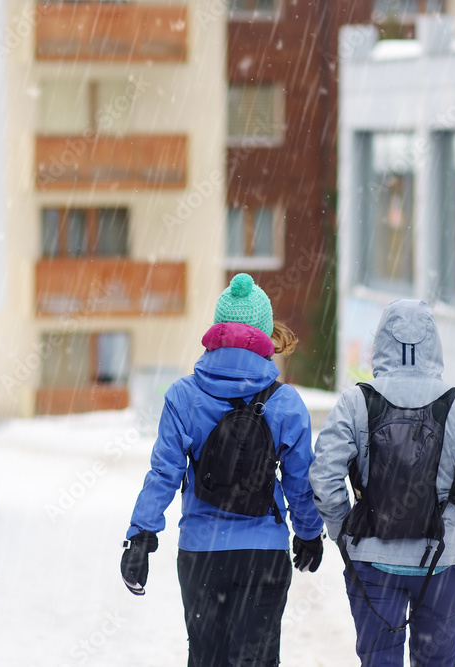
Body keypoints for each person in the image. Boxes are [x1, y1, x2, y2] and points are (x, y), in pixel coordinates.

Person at [121, 273, 325, 667]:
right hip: (262, 553)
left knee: (207, 660)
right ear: (264, 335)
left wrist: (141, 536)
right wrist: (309, 533)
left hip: (201, 554)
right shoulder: (285, 402)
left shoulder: (183, 395)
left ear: (216, 333)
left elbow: (164, 473)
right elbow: (301, 480)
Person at [310, 299, 455, 667]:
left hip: (371, 558)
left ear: (381, 341)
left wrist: (342, 529)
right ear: (434, 343)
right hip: (442, 559)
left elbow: (324, 473)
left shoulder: (356, 401)